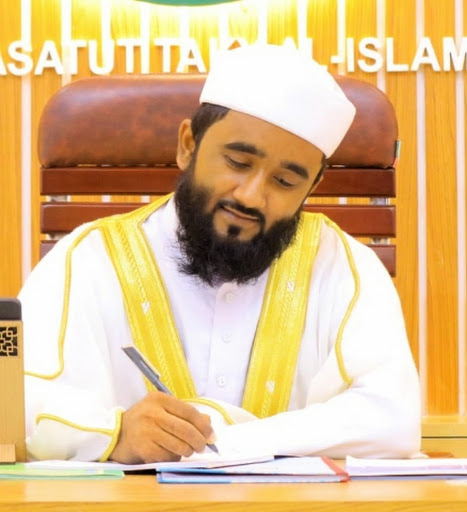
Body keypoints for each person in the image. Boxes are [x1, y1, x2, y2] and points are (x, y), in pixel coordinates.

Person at [19, 43, 421, 463]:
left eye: (285, 182)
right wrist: (114, 434)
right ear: (187, 145)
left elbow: (393, 419)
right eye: (238, 163)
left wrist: (226, 441)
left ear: (311, 188)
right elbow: (17, 402)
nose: (251, 196)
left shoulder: (344, 269)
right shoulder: (88, 259)